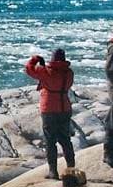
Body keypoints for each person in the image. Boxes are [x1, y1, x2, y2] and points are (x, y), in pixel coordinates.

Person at [25, 48, 76, 179]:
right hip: (65, 107)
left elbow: (29, 69)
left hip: (49, 109)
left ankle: (53, 171)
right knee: (65, 140)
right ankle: (71, 169)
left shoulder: (46, 71)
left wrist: (35, 59)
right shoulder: (69, 73)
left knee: (50, 141)